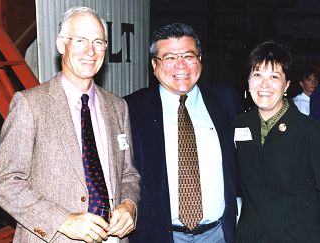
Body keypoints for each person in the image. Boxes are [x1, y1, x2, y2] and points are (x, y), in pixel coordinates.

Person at [0, 6, 140, 243]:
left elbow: (128, 174)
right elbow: (5, 181)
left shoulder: (117, 106)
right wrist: (63, 220)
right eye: (80, 40)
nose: (90, 51)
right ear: (62, 44)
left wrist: (129, 205)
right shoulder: (30, 104)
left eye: (98, 42)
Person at [125, 23, 238, 243]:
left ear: (200, 59)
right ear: (154, 64)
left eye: (188, 56)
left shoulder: (226, 101)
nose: (181, 66)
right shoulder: (132, 109)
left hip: (218, 234)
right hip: (159, 235)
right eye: (169, 58)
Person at [233, 40, 320, 243]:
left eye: (274, 76)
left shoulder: (309, 131)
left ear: (287, 84)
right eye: (257, 75)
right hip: (249, 237)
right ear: (248, 81)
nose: (264, 85)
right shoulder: (238, 125)